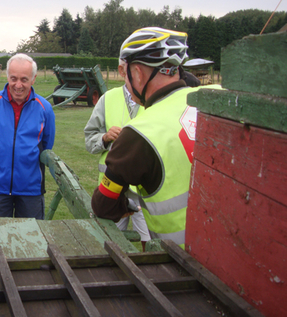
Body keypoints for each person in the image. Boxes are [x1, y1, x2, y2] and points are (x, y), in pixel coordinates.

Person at [91, 27, 220, 248]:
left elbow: (103, 205)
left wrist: (126, 206)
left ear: (138, 73)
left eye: (124, 72)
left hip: (184, 262)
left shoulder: (137, 134)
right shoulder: (219, 98)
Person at [0, 53, 56, 219]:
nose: (18, 85)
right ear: (7, 76)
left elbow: (46, 144)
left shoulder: (44, 108)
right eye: (13, 78)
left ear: (33, 79)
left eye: (24, 79)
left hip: (31, 188)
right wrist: (1, 154)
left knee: (31, 240)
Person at [84, 59, 151, 250]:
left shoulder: (156, 99)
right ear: (122, 71)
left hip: (146, 191)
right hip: (112, 190)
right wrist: (104, 138)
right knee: (109, 243)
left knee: (151, 244)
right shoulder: (108, 98)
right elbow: (89, 141)